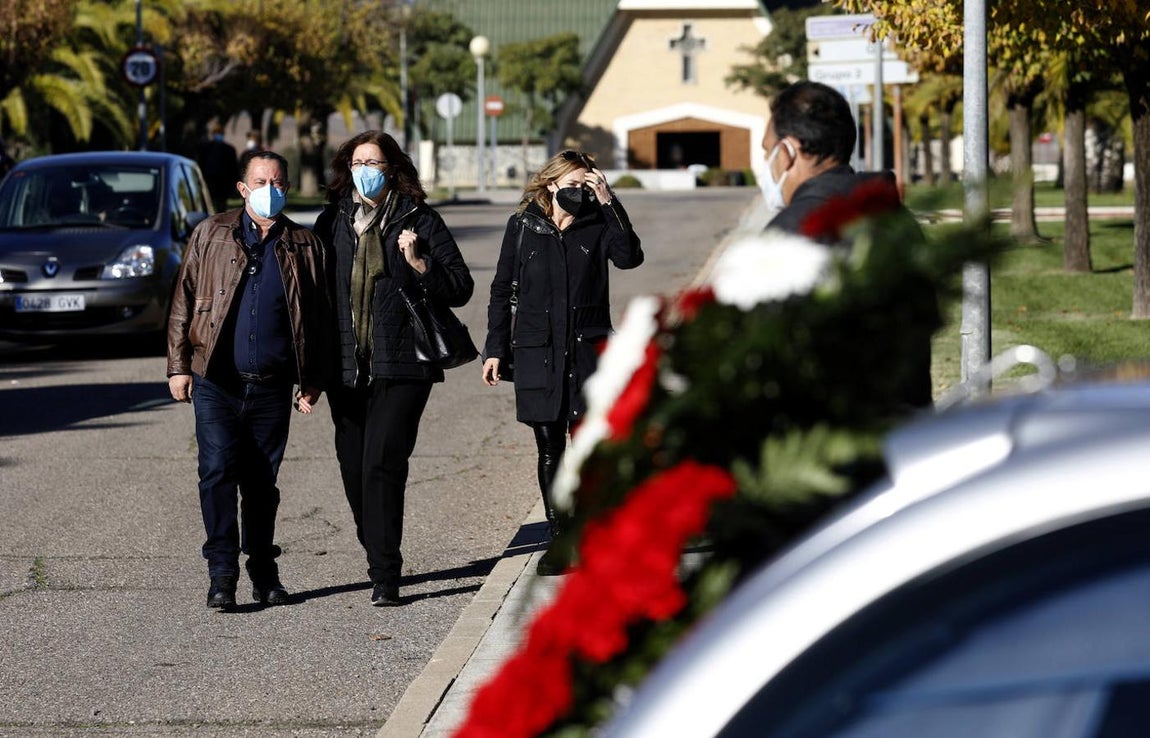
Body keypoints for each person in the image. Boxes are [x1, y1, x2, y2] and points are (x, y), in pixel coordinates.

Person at [313, 131, 474, 607]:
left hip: (403, 365)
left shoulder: (419, 219)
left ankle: (385, 574)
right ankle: (378, 549)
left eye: (375, 162)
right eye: (358, 160)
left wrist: (420, 262)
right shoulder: (332, 221)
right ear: (347, 167)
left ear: (392, 169)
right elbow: (315, 299)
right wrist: (309, 371)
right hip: (346, 367)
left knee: (382, 463)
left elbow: (460, 286)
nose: (366, 169)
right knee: (353, 469)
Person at [167, 149, 332, 611]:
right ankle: (222, 575)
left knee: (262, 483)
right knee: (217, 473)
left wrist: (312, 378)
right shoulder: (210, 234)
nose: (270, 190)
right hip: (216, 379)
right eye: (260, 182)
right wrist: (178, 366)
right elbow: (182, 300)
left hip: (272, 385)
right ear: (242, 189)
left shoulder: (304, 244)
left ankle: (263, 570)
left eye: (278, 182)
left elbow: (317, 318)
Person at [481, 150, 643, 574]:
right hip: (539, 352)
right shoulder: (523, 227)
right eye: (573, 185)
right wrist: (495, 348)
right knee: (549, 446)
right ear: (551, 184)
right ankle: (559, 537)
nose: (580, 193)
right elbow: (501, 290)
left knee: (587, 446)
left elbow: (629, 256)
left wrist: (608, 201)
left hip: (588, 350)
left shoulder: (598, 224)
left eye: (587, 185)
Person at [761, 81, 936, 409]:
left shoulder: (790, 235)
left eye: (766, 151)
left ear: (786, 153)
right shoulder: (896, 219)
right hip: (909, 426)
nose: (766, 166)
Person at [198, 122, 239, 213]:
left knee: (215, 205)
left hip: (216, 182)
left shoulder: (206, 148)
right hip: (217, 182)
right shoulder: (227, 149)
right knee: (218, 205)